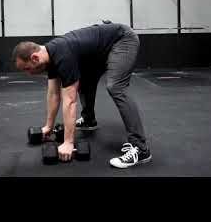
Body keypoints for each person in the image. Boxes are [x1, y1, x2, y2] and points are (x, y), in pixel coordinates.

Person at [12, 21, 151, 168]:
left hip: (122, 40)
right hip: (100, 51)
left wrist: (68, 142)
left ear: (35, 58)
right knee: (84, 81)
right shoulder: (50, 56)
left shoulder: (63, 55)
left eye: (27, 69)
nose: (28, 74)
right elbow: (53, 94)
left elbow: (70, 101)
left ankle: (140, 148)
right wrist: (48, 127)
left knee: (116, 87)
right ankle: (88, 119)